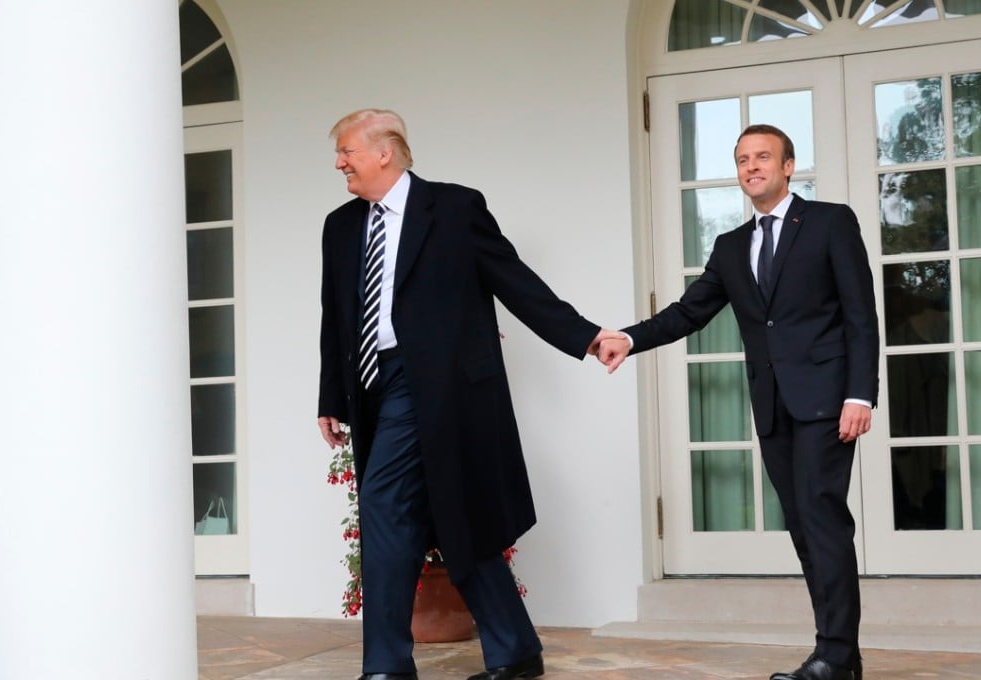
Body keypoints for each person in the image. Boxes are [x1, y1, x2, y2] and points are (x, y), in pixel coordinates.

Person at [316, 108, 621, 680]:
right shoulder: (341, 225)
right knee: (455, 517)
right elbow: (336, 315)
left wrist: (584, 336)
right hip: (375, 386)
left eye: (346, 151)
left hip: (444, 389)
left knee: (384, 505)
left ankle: (386, 666)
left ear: (384, 152)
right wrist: (332, 395)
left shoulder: (455, 208)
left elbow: (513, 279)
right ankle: (516, 650)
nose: (339, 163)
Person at [598, 124, 879, 680]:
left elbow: (860, 315)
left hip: (826, 402)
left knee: (822, 520)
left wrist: (860, 394)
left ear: (788, 166)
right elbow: (688, 312)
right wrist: (629, 338)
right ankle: (839, 657)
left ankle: (834, 654)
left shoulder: (829, 222)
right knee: (803, 527)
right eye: (743, 159)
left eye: (763, 157)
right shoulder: (731, 246)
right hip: (772, 405)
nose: (752, 167)